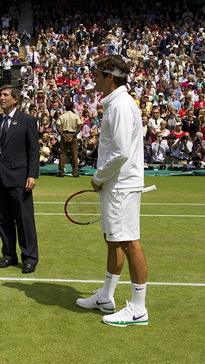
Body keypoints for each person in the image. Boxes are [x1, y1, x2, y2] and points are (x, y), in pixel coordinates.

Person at [76, 55, 149, 327]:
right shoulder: (117, 103)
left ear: (110, 76)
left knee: (129, 242)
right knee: (114, 239)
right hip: (116, 184)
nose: (92, 78)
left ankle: (138, 308)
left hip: (120, 185)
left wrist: (97, 177)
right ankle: (106, 296)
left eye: (96, 74)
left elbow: (119, 153)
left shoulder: (120, 105)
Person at [0, 85, 40, 273]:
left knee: (24, 220)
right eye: (1, 95)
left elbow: (33, 150)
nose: (1, 98)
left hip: (20, 178)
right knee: (3, 220)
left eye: (5, 95)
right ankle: (9, 255)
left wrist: (32, 174)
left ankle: (29, 258)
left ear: (15, 99)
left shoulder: (28, 120)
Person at [57, 101, 83, 177]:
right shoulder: (75, 116)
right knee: (74, 154)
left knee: (62, 154)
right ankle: (75, 172)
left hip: (64, 134)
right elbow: (79, 126)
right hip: (73, 134)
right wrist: (73, 136)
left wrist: (64, 136)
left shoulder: (62, 116)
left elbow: (58, 127)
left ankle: (61, 172)